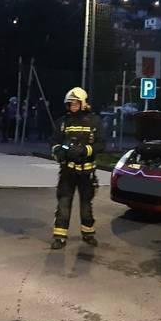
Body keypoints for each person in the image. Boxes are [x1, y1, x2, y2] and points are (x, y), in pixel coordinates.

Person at [49, 87, 104, 250]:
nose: (72, 106)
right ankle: (60, 237)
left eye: (75, 103)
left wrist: (84, 150)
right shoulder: (63, 122)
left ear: (83, 103)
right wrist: (59, 151)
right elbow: (53, 142)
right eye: (70, 103)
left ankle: (88, 233)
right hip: (67, 171)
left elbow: (102, 144)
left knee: (86, 205)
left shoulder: (94, 122)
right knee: (63, 204)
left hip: (87, 172)